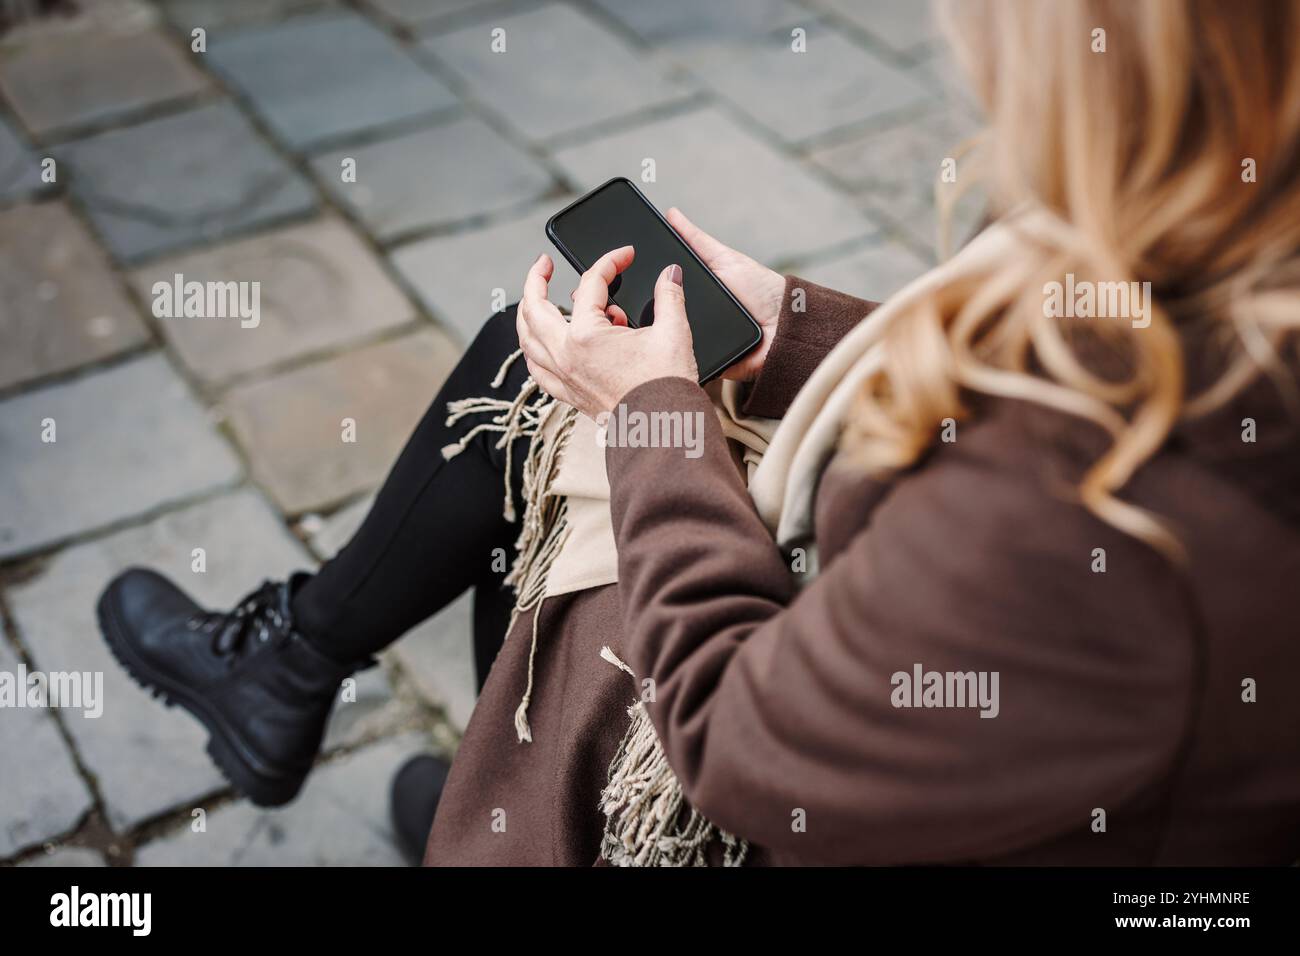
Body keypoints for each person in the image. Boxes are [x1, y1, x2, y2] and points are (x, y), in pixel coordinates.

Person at [99, 0, 1300, 866]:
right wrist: (790, 328)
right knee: (565, 373)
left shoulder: (1092, 516)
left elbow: (741, 745)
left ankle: (445, 759)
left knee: (569, 416)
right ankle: (351, 695)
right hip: (1024, 744)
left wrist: (652, 417)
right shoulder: (1242, 274)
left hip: (853, 785)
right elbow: (1035, 386)